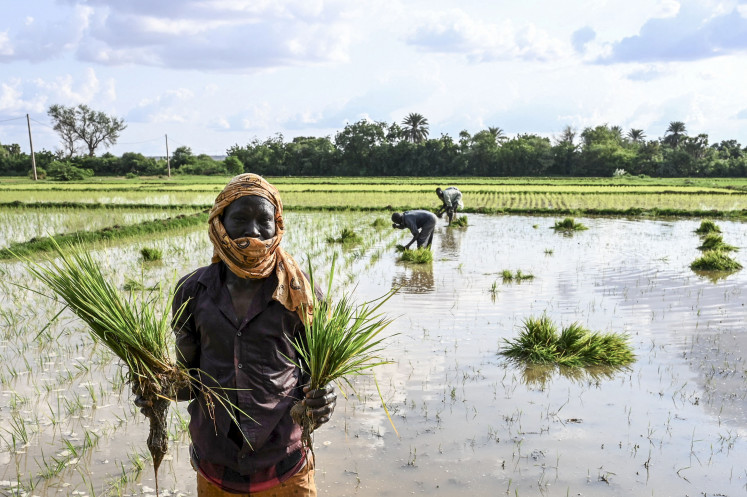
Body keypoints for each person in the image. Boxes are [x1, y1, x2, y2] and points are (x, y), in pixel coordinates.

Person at [136, 173, 336, 496]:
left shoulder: (302, 294)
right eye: (240, 219)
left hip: (285, 465)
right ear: (220, 224)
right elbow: (190, 380)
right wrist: (156, 390)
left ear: (277, 225)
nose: (253, 232)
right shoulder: (192, 292)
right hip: (216, 467)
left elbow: (319, 376)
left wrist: (324, 397)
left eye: (263, 221)